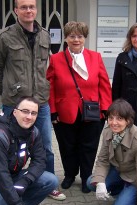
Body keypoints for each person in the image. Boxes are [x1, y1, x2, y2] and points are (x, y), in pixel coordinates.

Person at [0, 0, 65, 200]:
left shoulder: (44, 35)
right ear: (16, 11)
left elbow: (45, 67)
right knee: (9, 146)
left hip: (40, 102)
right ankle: (7, 184)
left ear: (36, 10)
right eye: (23, 7)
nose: (28, 10)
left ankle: (47, 184)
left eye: (31, 6)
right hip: (14, 104)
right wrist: (5, 90)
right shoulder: (4, 38)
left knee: (46, 146)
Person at [46, 21, 112, 193]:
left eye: (80, 36)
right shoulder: (56, 59)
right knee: (67, 146)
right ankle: (69, 175)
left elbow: (104, 84)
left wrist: (106, 109)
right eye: (72, 36)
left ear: (85, 38)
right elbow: (50, 87)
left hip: (92, 112)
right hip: (64, 112)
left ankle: (86, 177)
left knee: (89, 147)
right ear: (66, 38)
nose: (76, 39)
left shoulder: (95, 57)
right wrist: (53, 111)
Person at [0, 96, 59, 205]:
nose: (29, 117)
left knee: (50, 180)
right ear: (15, 112)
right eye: (25, 111)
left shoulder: (34, 132)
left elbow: (40, 161)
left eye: (33, 113)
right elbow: (0, 174)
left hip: (14, 176)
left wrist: (25, 180)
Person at [86, 99, 137, 205]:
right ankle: (123, 192)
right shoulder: (107, 132)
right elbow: (103, 159)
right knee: (91, 182)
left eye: (119, 118)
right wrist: (100, 182)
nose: (113, 123)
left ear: (128, 120)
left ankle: (136, 195)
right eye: (111, 118)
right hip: (120, 170)